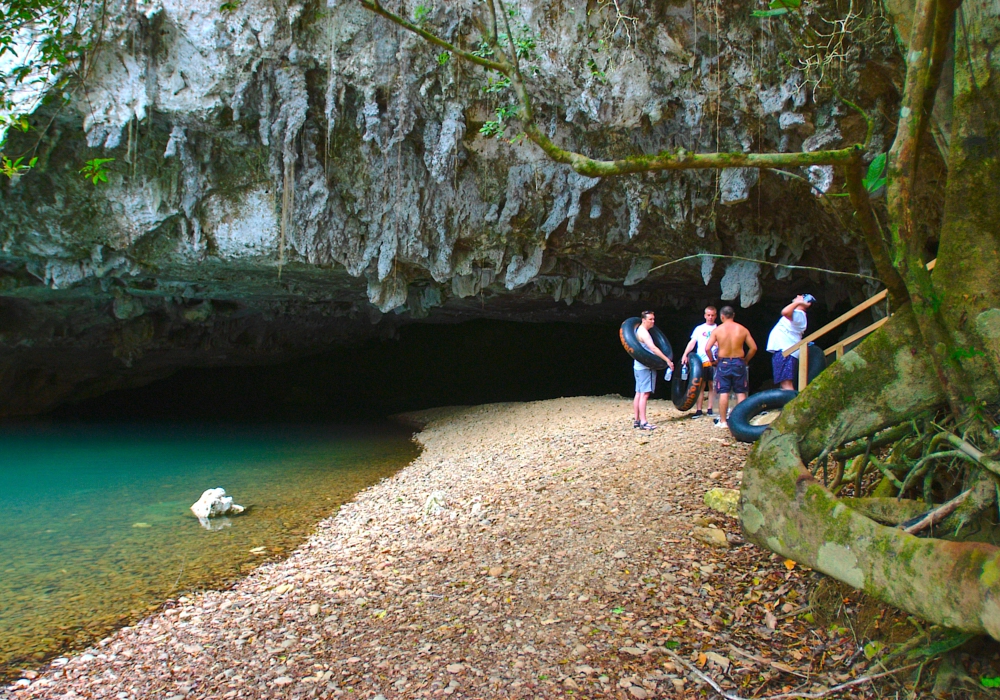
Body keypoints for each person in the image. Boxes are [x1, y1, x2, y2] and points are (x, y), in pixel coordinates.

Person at [704, 306, 757, 429]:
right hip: (739, 362)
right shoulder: (742, 329)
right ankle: (742, 421)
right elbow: (753, 348)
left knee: (724, 392)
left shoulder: (718, 330)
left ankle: (723, 421)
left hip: (723, 363)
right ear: (733, 315)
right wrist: (746, 360)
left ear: (722, 316)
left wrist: (713, 360)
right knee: (740, 392)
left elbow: (707, 348)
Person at [632, 310, 674, 431]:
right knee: (645, 394)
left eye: (653, 319)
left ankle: (637, 420)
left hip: (637, 366)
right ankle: (644, 422)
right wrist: (667, 360)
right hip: (646, 367)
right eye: (650, 319)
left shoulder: (637, 330)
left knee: (638, 393)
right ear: (644, 320)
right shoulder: (644, 333)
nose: (653, 321)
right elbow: (653, 348)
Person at [766, 294, 815, 390]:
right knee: (784, 383)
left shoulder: (799, 314)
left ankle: (793, 405)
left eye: (802, 296)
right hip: (784, 351)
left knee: (786, 384)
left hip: (786, 352)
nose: (798, 295)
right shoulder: (798, 314)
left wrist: (799, 302)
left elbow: (785, 312)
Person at [680, 306, 718, 418]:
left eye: (712, 315)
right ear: (705, 315)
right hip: (700, 360)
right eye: (708, 315)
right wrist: (685, 354)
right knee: (700, 386)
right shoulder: (699, 328)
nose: (710, 317)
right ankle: (699, 410)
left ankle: (711, 409)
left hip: (713, 361)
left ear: (716, 316)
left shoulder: (718, 328)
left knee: (713, 385)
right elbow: (692, 342)